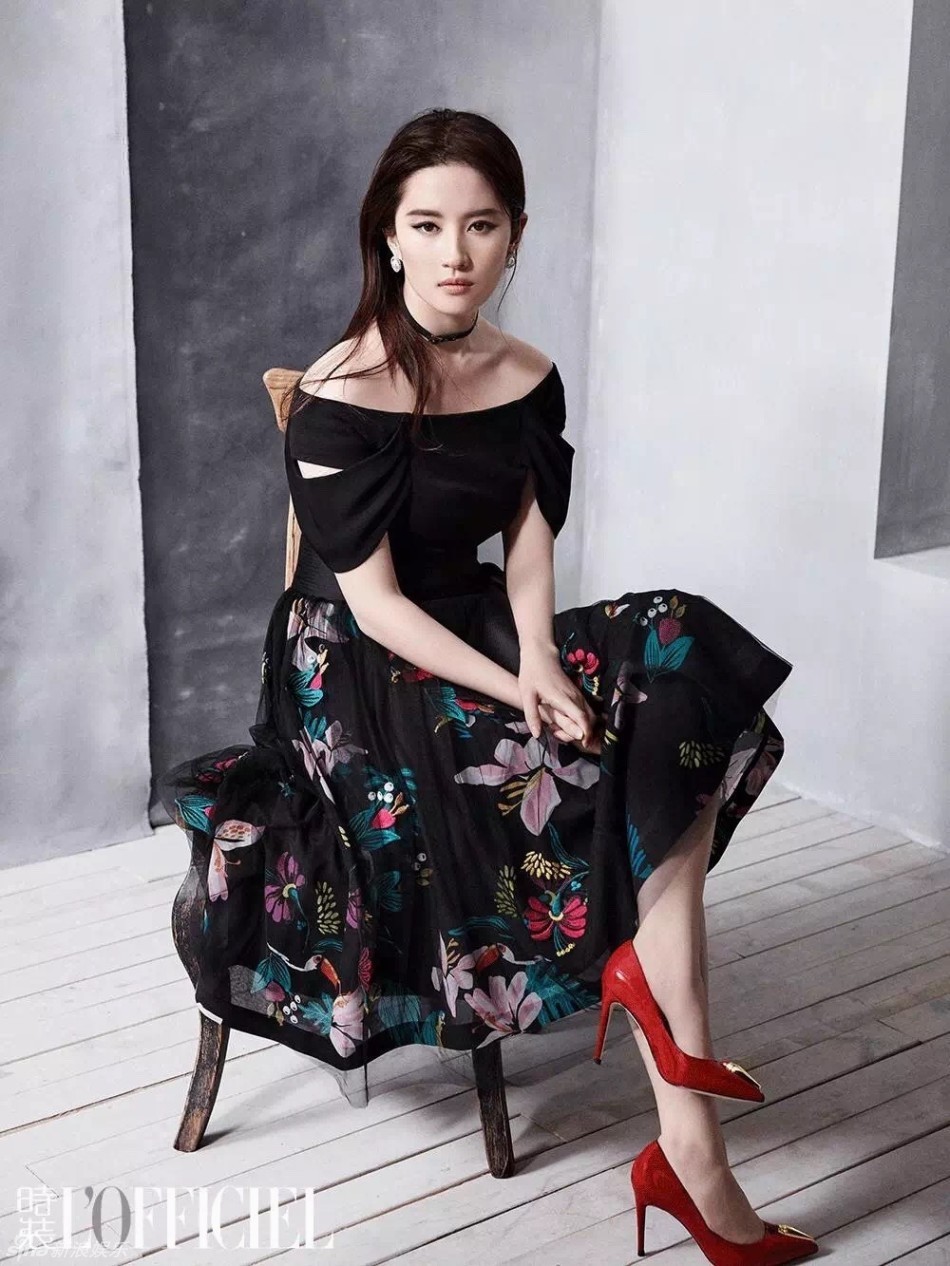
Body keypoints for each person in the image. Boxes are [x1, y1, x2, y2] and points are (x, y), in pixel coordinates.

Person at [159, 107, 817, 1262]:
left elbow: (524, 545)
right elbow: (375, 607)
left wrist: (542, 658)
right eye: (427, 225)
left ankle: (672, 1080)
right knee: (545, 751)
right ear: (387, 236)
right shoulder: (339, 393)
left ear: (514, 234)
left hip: (478, 628)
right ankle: (691, 1143)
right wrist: (516, 692)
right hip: (350, 666)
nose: (454, 251)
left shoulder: (526, 375)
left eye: (480, 224)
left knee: (669, 655)